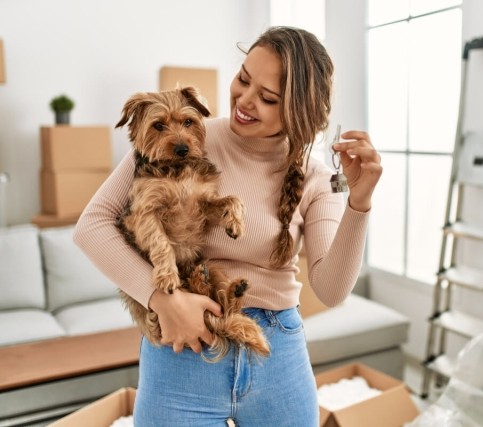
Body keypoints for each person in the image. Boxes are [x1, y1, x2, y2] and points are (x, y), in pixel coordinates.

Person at [74, 26, 382, 426]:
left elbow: (332, 289)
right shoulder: (185, 136)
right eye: (243, 78)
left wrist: (359, 203)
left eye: (267, 98)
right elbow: (92, 225)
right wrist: (161, 298)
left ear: (298, 112)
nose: (245, 101)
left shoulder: (316, 178)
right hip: (182, 350)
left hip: (277, 358)